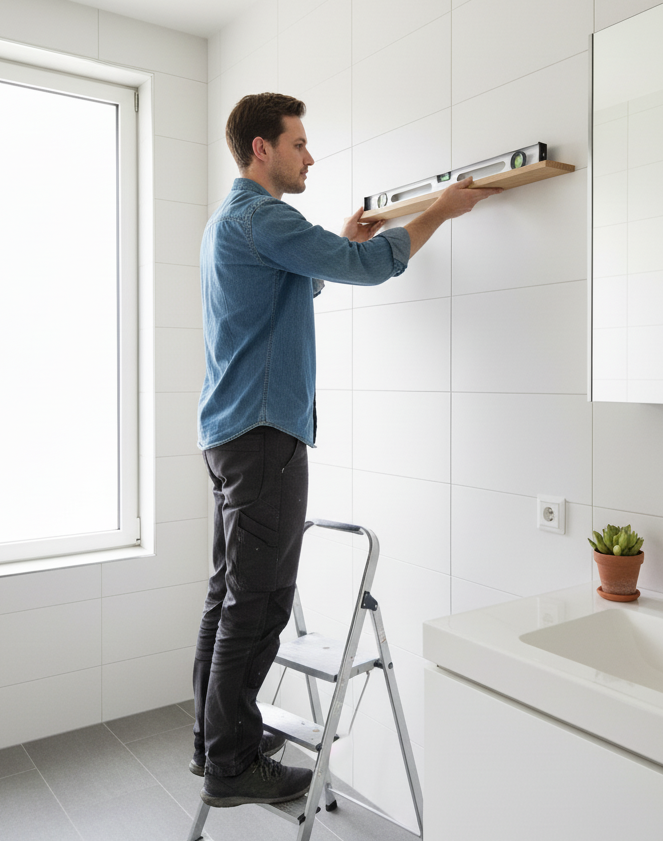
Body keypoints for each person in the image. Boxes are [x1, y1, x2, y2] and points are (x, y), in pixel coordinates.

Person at [192, 92, 501, 808]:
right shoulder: (264, 215)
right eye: (298, 143)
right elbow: (370, 269)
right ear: (261, 149)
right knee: (259, 601)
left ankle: (215, 742)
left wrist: (339, 239)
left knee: (226, 597)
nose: (310, 155)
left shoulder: (229, 223)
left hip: (231, 433)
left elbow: (304, 277)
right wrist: (439, 212)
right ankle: (232, 762)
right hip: (266, 435)